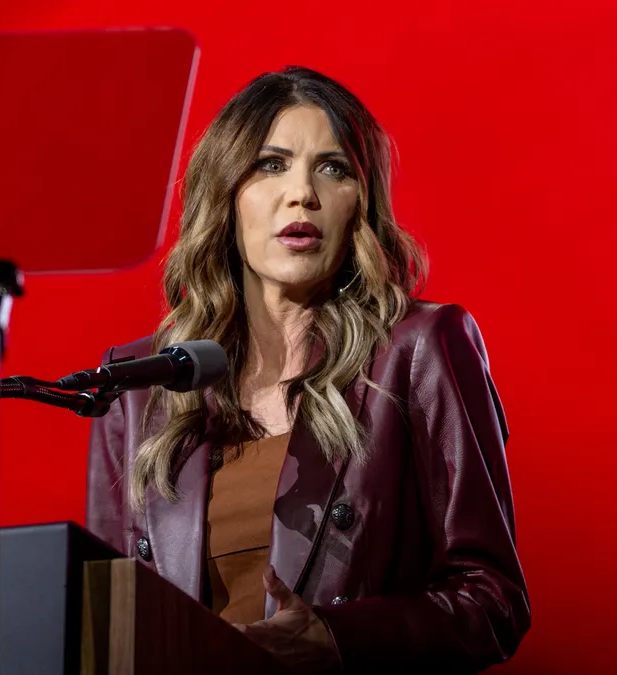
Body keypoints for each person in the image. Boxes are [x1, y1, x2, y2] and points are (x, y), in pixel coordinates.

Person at [85, 65, 529, 674]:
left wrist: (337, 639)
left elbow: (493, 599)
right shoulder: (141, 383)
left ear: (361, 204)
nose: (303, 194)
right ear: (226, 194)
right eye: (270, 165)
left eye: (333, 168)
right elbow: (103, 627)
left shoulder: (418, 349)